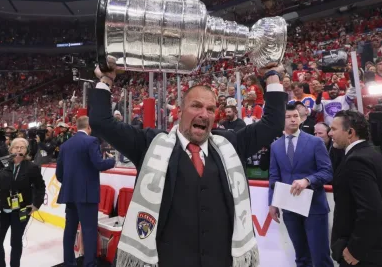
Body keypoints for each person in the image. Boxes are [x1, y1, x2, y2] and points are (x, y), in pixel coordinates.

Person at [89, 61, 287, 267]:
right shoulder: (150, 144)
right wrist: (106, 79)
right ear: (180, 111)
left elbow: (272, 124)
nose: (204, 114)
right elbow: (101, 122)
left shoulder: (231, 144)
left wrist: (271, 75)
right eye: (196, 106)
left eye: (210, 109)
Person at [328, 110, 382, 267]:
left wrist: (355, 250)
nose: (329, 133)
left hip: (365, 255)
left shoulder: (356, 161)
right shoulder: (373, 155)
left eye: (333, 129)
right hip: (379, 248)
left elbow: (372, 210)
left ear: (350, 132)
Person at [268, 104, 333, 267]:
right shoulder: (275, 146)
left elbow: (327, 172)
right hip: (289, 207)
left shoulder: (315, 142)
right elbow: (274, 176)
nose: (293, 119)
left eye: (296, 116)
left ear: (300, 118)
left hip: (314, 207)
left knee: (320, 256)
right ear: (281, 120)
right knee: (301, 256)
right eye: (288, 116)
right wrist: (273, 202)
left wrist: (308, 180)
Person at [56, 116, 116, 267]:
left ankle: (69, 262)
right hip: (87, 194)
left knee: (70, 230)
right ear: (89, 127)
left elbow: (59, 174)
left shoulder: (65, 145)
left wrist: (72, 185)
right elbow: (98, 164)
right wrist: (112, 160)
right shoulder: (91, 141)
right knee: (89, 229)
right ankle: (89, 263)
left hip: (70, 194)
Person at [0, 138, 46, 267]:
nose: (19, 149)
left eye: (22, 147)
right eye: (16, 147)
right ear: (11, 149)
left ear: (27, 150)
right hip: (3, 209)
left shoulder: (32, 167)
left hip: (22, 210)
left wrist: (36, 203)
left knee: (16, 242)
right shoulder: (3, 165)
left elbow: (40, 186)